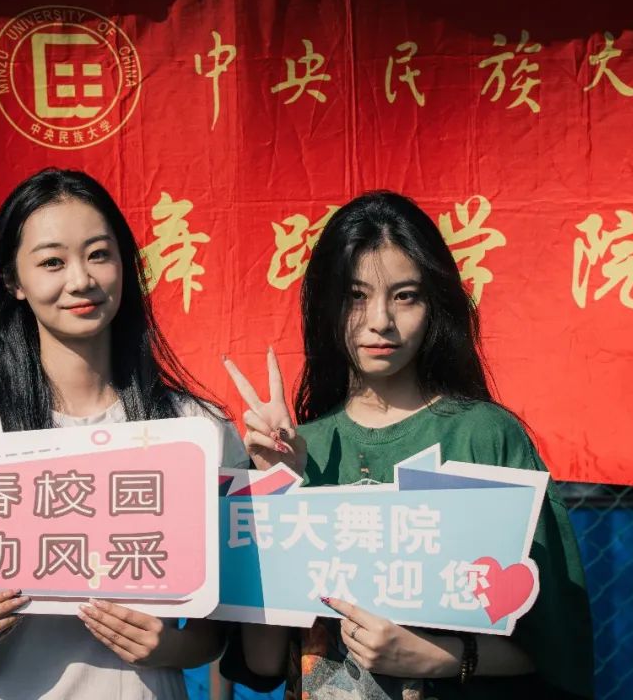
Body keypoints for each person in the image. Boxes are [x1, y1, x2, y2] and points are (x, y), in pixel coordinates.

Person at [220, 191, 594, 699]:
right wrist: (272, 488)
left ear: (435, 304)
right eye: (356, 296)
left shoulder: (484, 436)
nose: (380, 320)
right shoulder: (297, 448)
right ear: (326, 305)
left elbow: (556, 651)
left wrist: (442, 657)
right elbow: (264, 661)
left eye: (405, 295)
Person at [0, 167, 248, 699]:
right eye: (52, 262)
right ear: (12, 281)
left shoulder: (199, 432)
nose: (81, 280)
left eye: (99, 254)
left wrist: (169, 648)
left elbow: (220, 634)